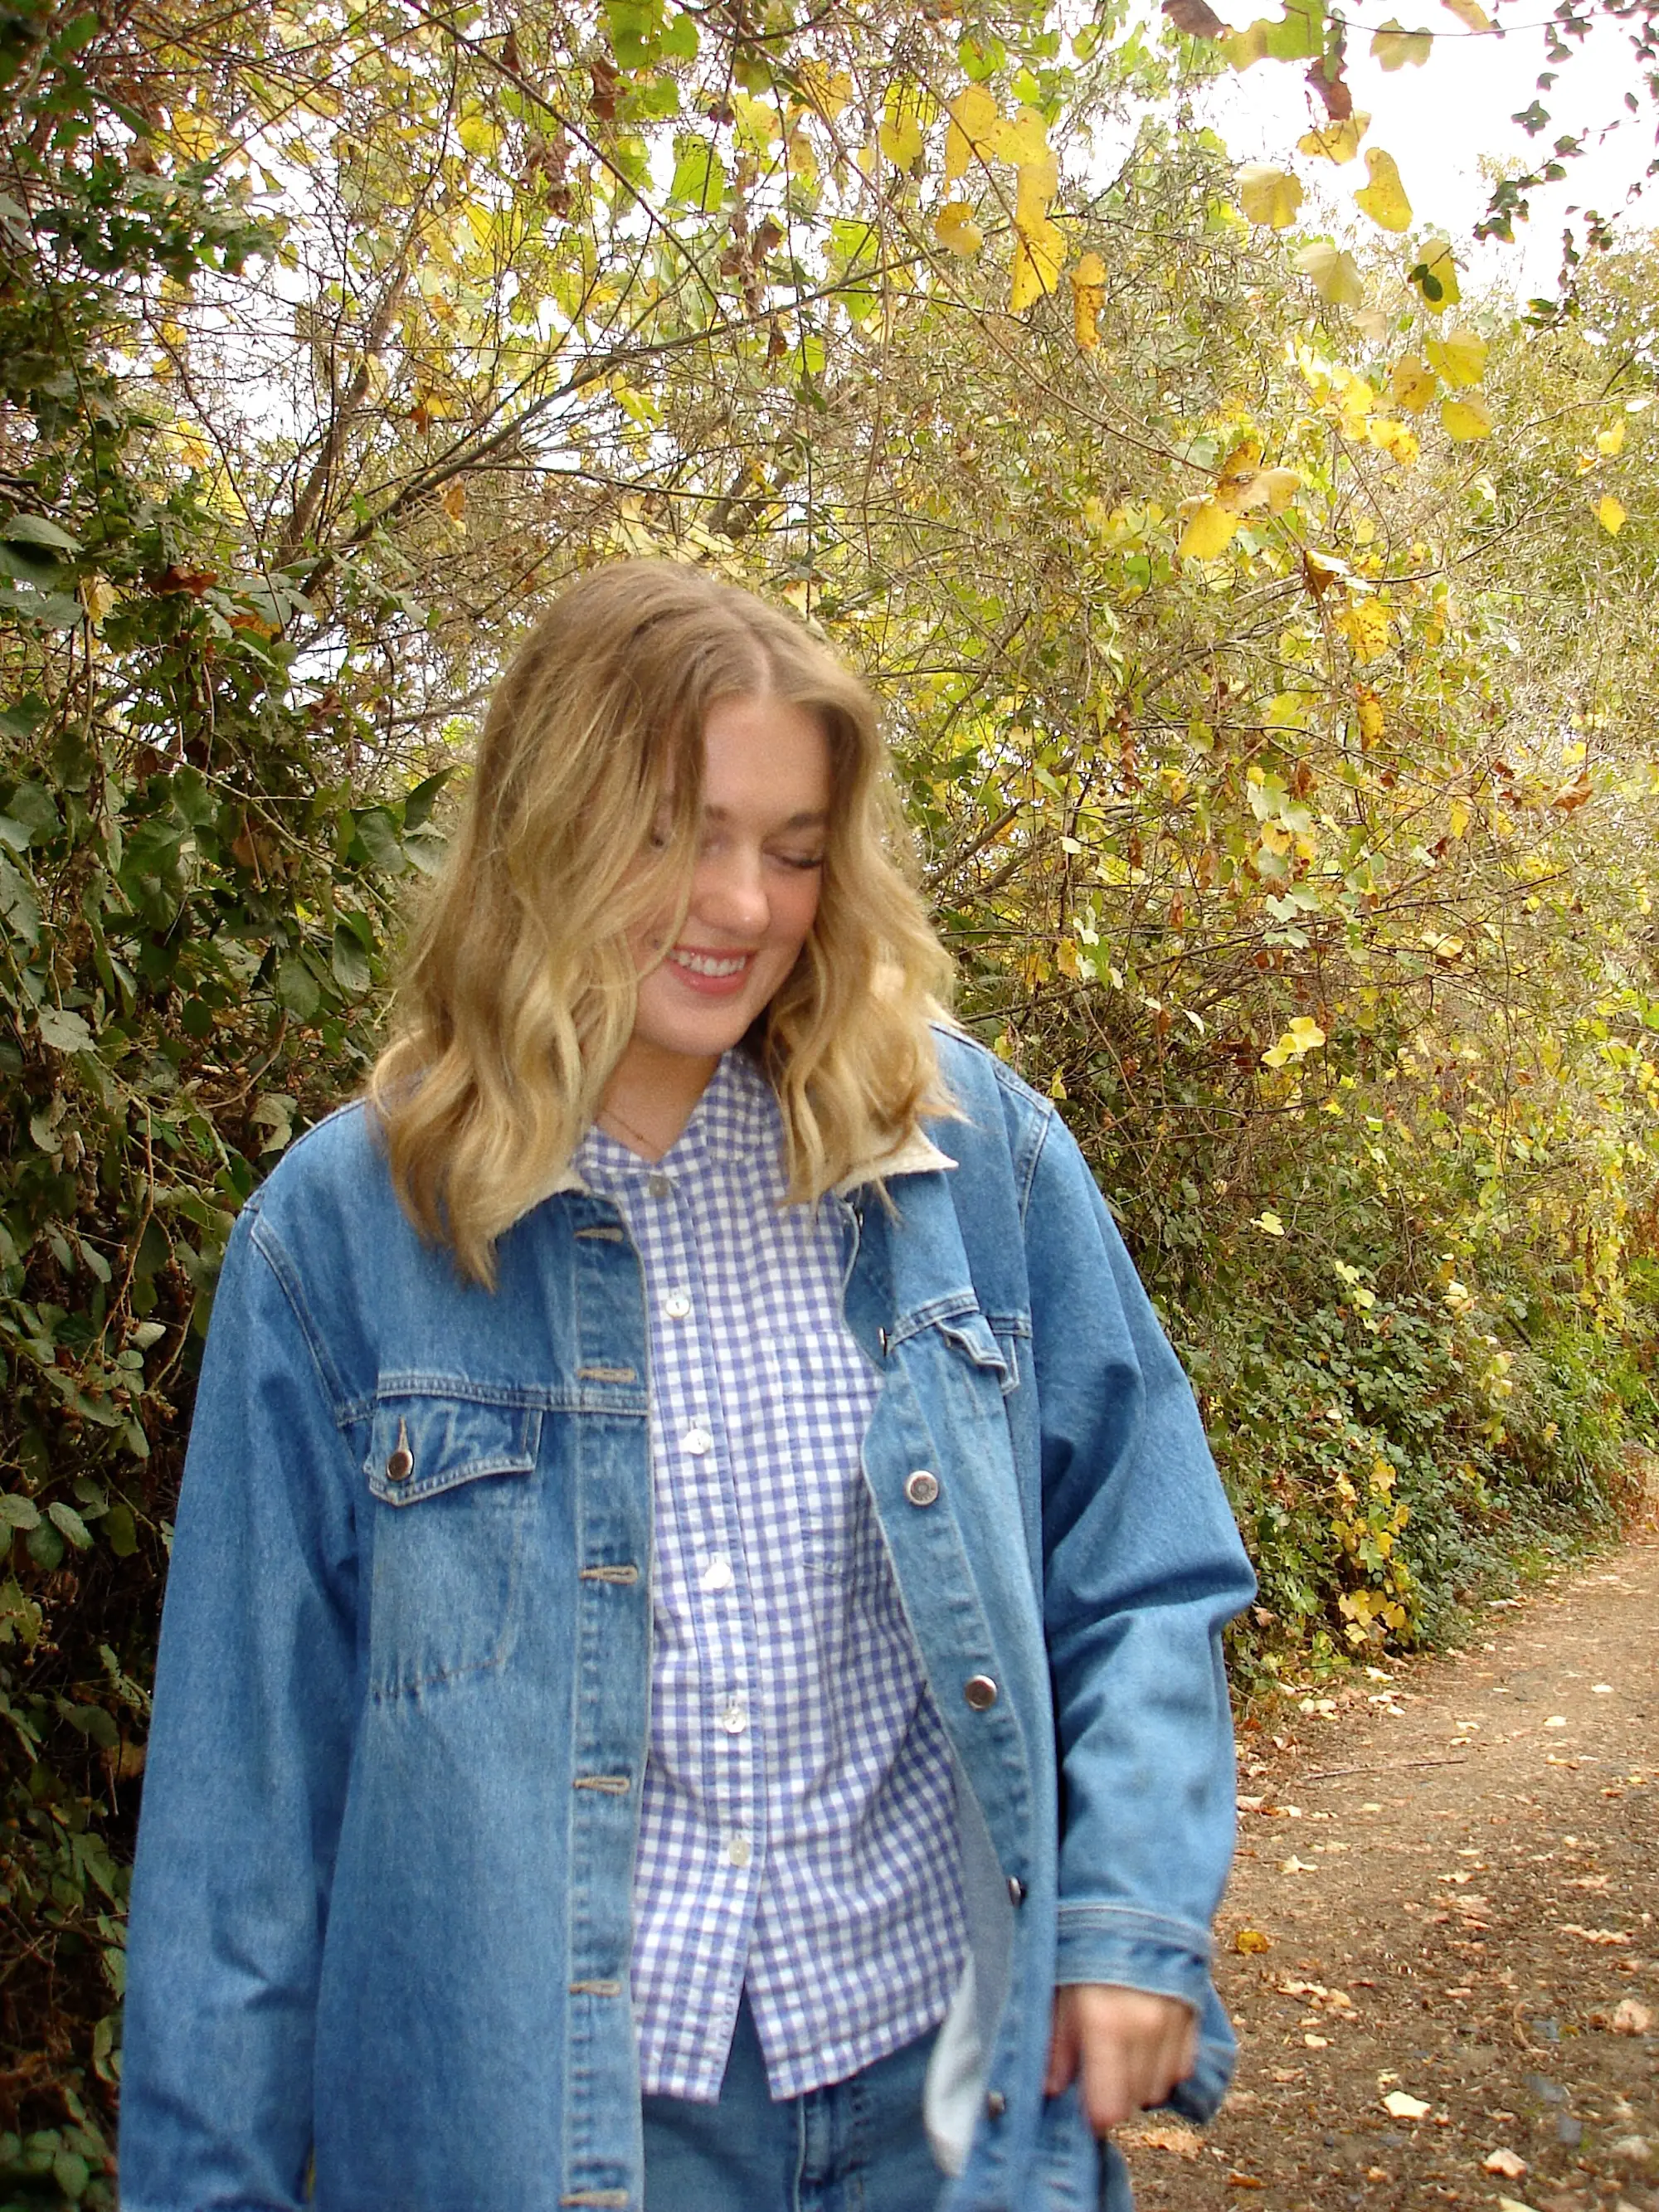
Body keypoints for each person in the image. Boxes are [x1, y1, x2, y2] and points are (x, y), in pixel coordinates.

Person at [119, 559, 1256, 2212]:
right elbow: (239, 1828)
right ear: (546, 824)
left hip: (948, 2108)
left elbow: (1142, 1562)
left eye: (792, 850)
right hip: (564, 2138)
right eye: (677, 833)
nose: (740, 903)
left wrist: (1132, 1914)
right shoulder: (344, 1240)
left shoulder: (963, 1155)